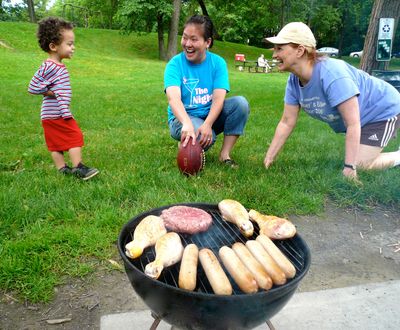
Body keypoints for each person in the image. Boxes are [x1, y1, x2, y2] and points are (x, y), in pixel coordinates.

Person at [263, 22, 400, 181]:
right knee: (358, 159)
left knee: (361, 165)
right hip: (362, 116)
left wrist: (349, 168)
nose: (274, 55)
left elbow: (353, 123)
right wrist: (269, 157)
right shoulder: (294, 81)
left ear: (300, 50)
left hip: (382, 110)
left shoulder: (332, 74)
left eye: (280, 48)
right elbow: (287, 121)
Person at [164, 15, 250, 167]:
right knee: (207, 139)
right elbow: (174, 99)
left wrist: (208, 124)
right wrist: (186, 123)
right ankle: (186, 141)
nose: (187, 44)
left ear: (207, 42)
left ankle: (225, 155)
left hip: (209, 115)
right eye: (184, 38)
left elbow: (218, 99)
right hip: (182, 119)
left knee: (240, 104)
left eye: (194, 39)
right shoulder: (175, 64)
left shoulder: (218, 63)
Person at [28, 17, 99, 180]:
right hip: (57, 113)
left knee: (55, 143)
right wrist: (51, 92)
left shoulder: (56, 65)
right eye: (69, 44)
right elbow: (32, 87)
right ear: (53, 46)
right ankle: (78, 168)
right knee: (75, 136)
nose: (73, 48)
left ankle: (62, 169)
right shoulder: (49, 66)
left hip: (49, 114)